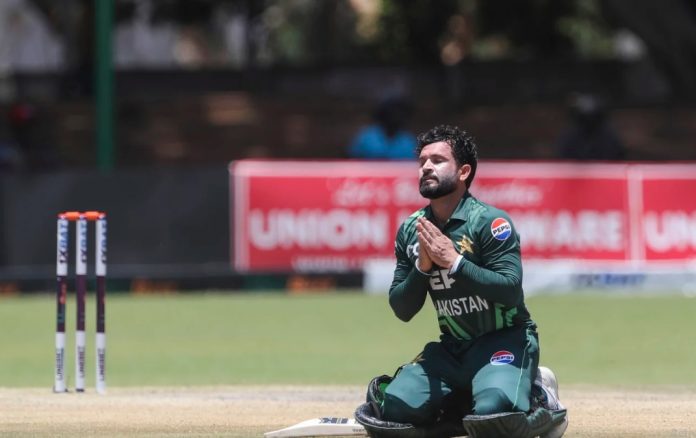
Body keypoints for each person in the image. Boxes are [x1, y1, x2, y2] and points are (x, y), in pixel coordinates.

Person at [355, 125, 568, 438]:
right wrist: (423, 268)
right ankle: (469, 397)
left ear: (464, 171)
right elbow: (402, 308)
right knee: (393, 410)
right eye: (422, 161)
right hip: (452, 349)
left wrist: (453, 261)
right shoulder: (412, 230)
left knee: (495, 415)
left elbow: (509, 291)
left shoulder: (490, 222)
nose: (426, 166)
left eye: (438, 160)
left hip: (504, 340)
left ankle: (539, 394)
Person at [556, 93, 626, 161]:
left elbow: (615, 158)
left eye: (592, 116)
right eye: (584, 117)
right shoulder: (569, 137)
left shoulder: (609, 137)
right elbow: (563, 159)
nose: (589, 120)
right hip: (573, 171)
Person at [347, 95, 417, 160]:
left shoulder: (408, 140)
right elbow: (352, 158)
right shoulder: (366, 136)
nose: (396, 117)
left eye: (400, 114)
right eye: (391, 113)